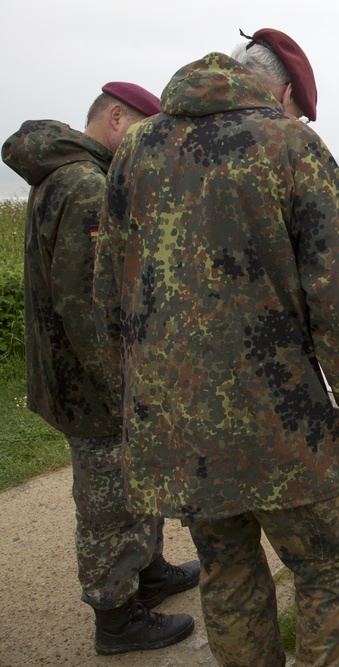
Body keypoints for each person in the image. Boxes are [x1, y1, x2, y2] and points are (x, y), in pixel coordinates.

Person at [92, 29, 339, 666]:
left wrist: (136, 393)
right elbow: (337, 294)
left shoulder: (138, 147)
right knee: (327, 571)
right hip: (279, 426)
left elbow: (110, 287)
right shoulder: (291, 146)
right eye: (297, 106)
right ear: (283, 91)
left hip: (178, 427)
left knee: (227, 575)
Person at [2, 84, 198, 656]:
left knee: (136, 484)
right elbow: (90, 308)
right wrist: (123, 392)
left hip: (77, 377)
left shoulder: (63, 174)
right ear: (116, 118)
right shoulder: (87, 186)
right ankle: (116, 617)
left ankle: (150, 571)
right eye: (144, 130)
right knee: (111, 500)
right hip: (92, 385)